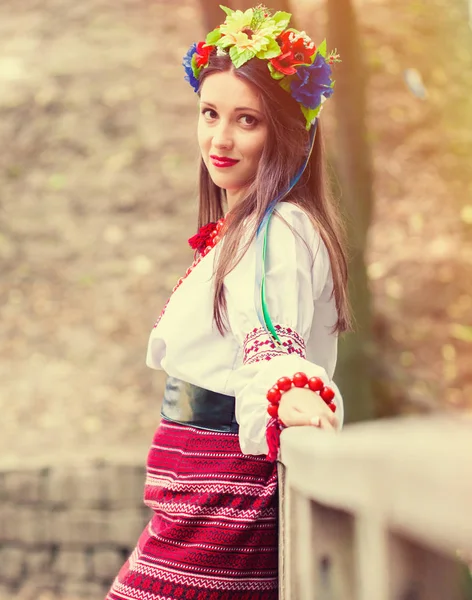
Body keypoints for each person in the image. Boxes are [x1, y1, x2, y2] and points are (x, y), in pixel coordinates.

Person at [106, 5, 350, 600]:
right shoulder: (250, 227)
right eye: (210, 113)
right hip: (195, 488)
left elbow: (271, 334)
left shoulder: (280, 231)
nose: (219, 138)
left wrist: (292, 389)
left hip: (223, 493)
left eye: (247, 121)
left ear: (289, 130)